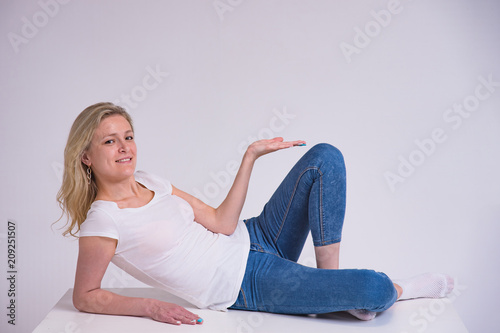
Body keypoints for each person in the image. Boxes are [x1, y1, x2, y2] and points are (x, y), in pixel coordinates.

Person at [57, 102, 454, 325]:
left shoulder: (150, 179)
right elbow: (85, 296)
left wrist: (250, 157)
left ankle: (328, 283)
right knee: (374, 290)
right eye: (110, 141)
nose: (124, 147)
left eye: (128, 136)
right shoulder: (103, 219)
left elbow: (220, 223)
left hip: (254, 236)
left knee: (324, 158)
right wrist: (151, 307)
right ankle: (392, 288)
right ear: (87, 157)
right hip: (244, 283)